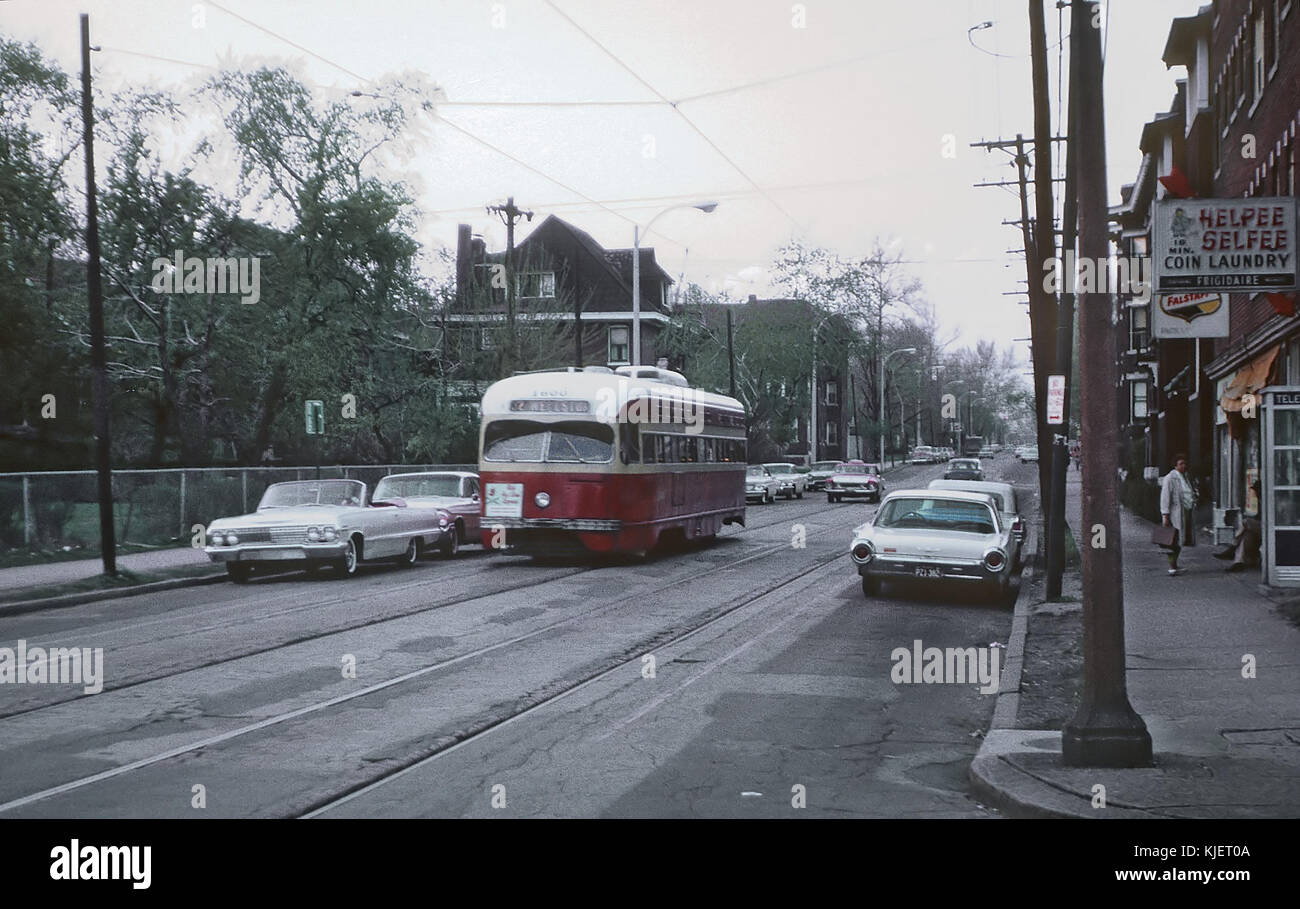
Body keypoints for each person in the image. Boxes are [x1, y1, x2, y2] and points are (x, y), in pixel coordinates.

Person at [1213, 479, 1263, 572]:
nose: (1254, 493)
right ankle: (1238, 563)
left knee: (1245, 522)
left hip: (1268, 528)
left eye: (1255, 490)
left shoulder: (1266, 502)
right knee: (1246, 535)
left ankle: (1232, 547)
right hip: (1262, 528)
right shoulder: (1260, 502)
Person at [1159, 453, 1195, 575]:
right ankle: (1172, 567)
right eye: (1181, 464)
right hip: (1175, 513)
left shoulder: (1185, 477)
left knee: (1180, 540)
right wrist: (1165, 515)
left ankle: (1175, 565)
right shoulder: (1170, 478)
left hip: (1185, 511)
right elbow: (1165, 497)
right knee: (1172, 541)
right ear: (1175, 465)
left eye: (1185, 463)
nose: (1184, 466)